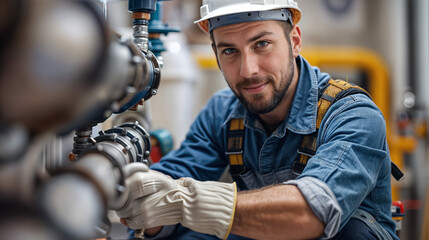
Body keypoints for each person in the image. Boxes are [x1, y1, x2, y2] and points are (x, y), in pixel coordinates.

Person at [116, 1, 398, 239]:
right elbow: (170, 183)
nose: (248, 70)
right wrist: (147, 206)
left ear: (294, 41)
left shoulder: (353, 115)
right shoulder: (222, 114)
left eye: (261, 44)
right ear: (215, 53)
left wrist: (186, 202)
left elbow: (312, 211)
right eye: (229, 51)